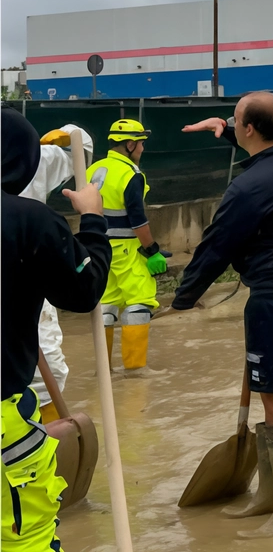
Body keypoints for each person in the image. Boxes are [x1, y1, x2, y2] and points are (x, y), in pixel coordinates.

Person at [176, 92, 273, 538]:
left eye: (235, 118)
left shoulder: (247, 190)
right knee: (270, 391)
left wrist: (183, 299)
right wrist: (225, 128)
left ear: (250, 129)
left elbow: (215, 248)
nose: (232, 122)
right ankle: (271, 495)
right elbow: (266, 153)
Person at [2, 105, 112, 552]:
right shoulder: (28, 219)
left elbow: (76, 142)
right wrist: (93, 221)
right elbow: (83, 290)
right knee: (24, 538)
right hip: (4, 413)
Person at [22, 124, 95, 423]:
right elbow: (81, 149)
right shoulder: (30, 158)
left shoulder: (34, 158)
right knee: (43, 374)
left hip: (25, 286)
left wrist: (70, 134)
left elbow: (80, 148)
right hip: (27, 284)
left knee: (43, 374)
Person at [86, 119, 170, 376]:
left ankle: (104, 371)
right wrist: (152, 250)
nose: (143, 149)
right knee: (139, 302)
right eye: (141, 143)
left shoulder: (93, 169)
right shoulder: (131, 174)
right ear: (130, 144)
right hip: (128, 249)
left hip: (99, 247)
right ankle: (135, 370)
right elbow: (138, 220)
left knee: (107, 304)